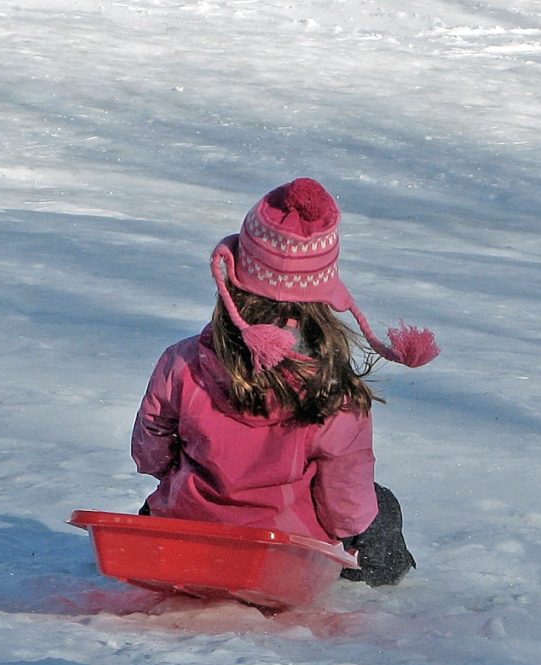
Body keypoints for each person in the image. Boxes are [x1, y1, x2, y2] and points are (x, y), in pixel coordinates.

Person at [131, 178, 438, 586]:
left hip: (193, 527)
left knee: (161, 508)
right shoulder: (334, 391)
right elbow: (344, 506)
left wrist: (181, 478)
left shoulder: (183, 363)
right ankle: (383, 582)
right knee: (379, 504)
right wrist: (345, 533)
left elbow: (149, 452)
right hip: (285, 552)